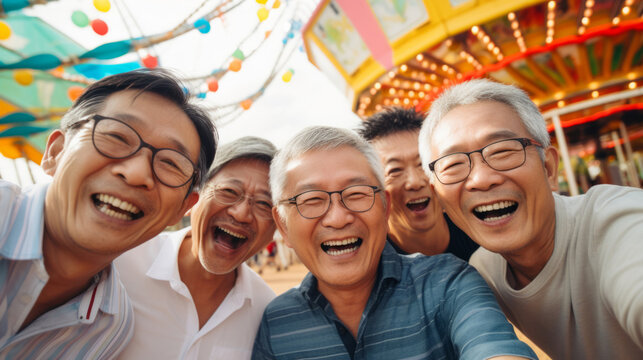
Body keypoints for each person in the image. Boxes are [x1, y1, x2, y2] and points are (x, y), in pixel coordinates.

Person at [252, 126, 536, 360]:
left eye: (357, 193)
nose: (337, 219)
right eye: (311, 200)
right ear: (283, 226)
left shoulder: (448, 282)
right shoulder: (276, 324)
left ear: (385, 207)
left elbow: (492, 345)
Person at [418, 79, 643, 359]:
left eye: (502, 151)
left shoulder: (616, 221)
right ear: (437, 198)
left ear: (549, 168)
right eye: (453, 165)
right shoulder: (484, 270)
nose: (481, 179)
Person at [0, 69, 217, 358]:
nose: (137, 173)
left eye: (171, 163)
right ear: (55, 151)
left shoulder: (110, 329)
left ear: (182, 209)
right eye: (116, 136)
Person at [115, 136, 277, 359]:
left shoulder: (265, 311)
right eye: (229, 191)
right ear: (192, 198)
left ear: (276, 228)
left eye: (263, 204)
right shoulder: (117, 266)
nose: (241, 214)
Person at [358, 107, 478, 260]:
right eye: (395, 170)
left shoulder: (478, 228)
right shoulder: (371, 263)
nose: (414, 182)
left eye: (422, 164)